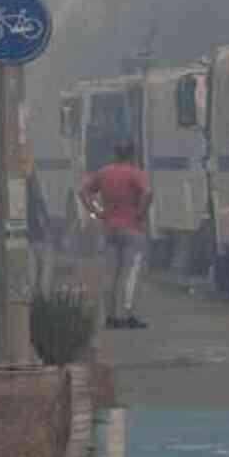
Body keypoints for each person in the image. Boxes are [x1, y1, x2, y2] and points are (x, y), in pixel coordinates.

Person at [79, 139, 152, 330]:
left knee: (111, 274)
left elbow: (83, 191)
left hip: (109, 228)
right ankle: (128, 314)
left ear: (115, 153)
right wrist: (140, 213)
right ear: (132, 155)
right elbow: (147, 193)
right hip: (132, 229)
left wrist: (95, 211)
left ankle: (110, 316)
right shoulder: (136, 174)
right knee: (130, 273)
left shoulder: (104, 173)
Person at [26, 154, 53, 295]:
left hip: (33, 238)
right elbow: (43, 216)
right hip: (37, 238)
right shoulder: (36, 195)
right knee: (42, 272)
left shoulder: (28, 193)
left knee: (34, 271)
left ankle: (37, 294)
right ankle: (42, 296)